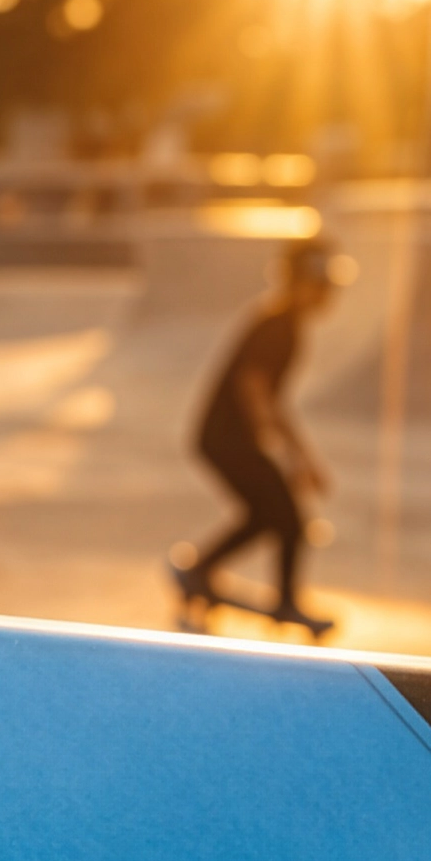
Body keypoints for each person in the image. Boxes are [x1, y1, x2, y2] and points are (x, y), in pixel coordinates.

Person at [169, 237, 354, 640]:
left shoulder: (284, 324)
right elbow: (252, 387)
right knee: (286, 516)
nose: (327, 295)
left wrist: (303, 458)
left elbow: (275, 401)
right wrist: (280, 454)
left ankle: (198, 570)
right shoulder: (278, 326)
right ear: (299, 283)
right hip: (226, 439)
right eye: (320, 285)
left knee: (269, 514)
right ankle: (281, 600)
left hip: (223, 439)